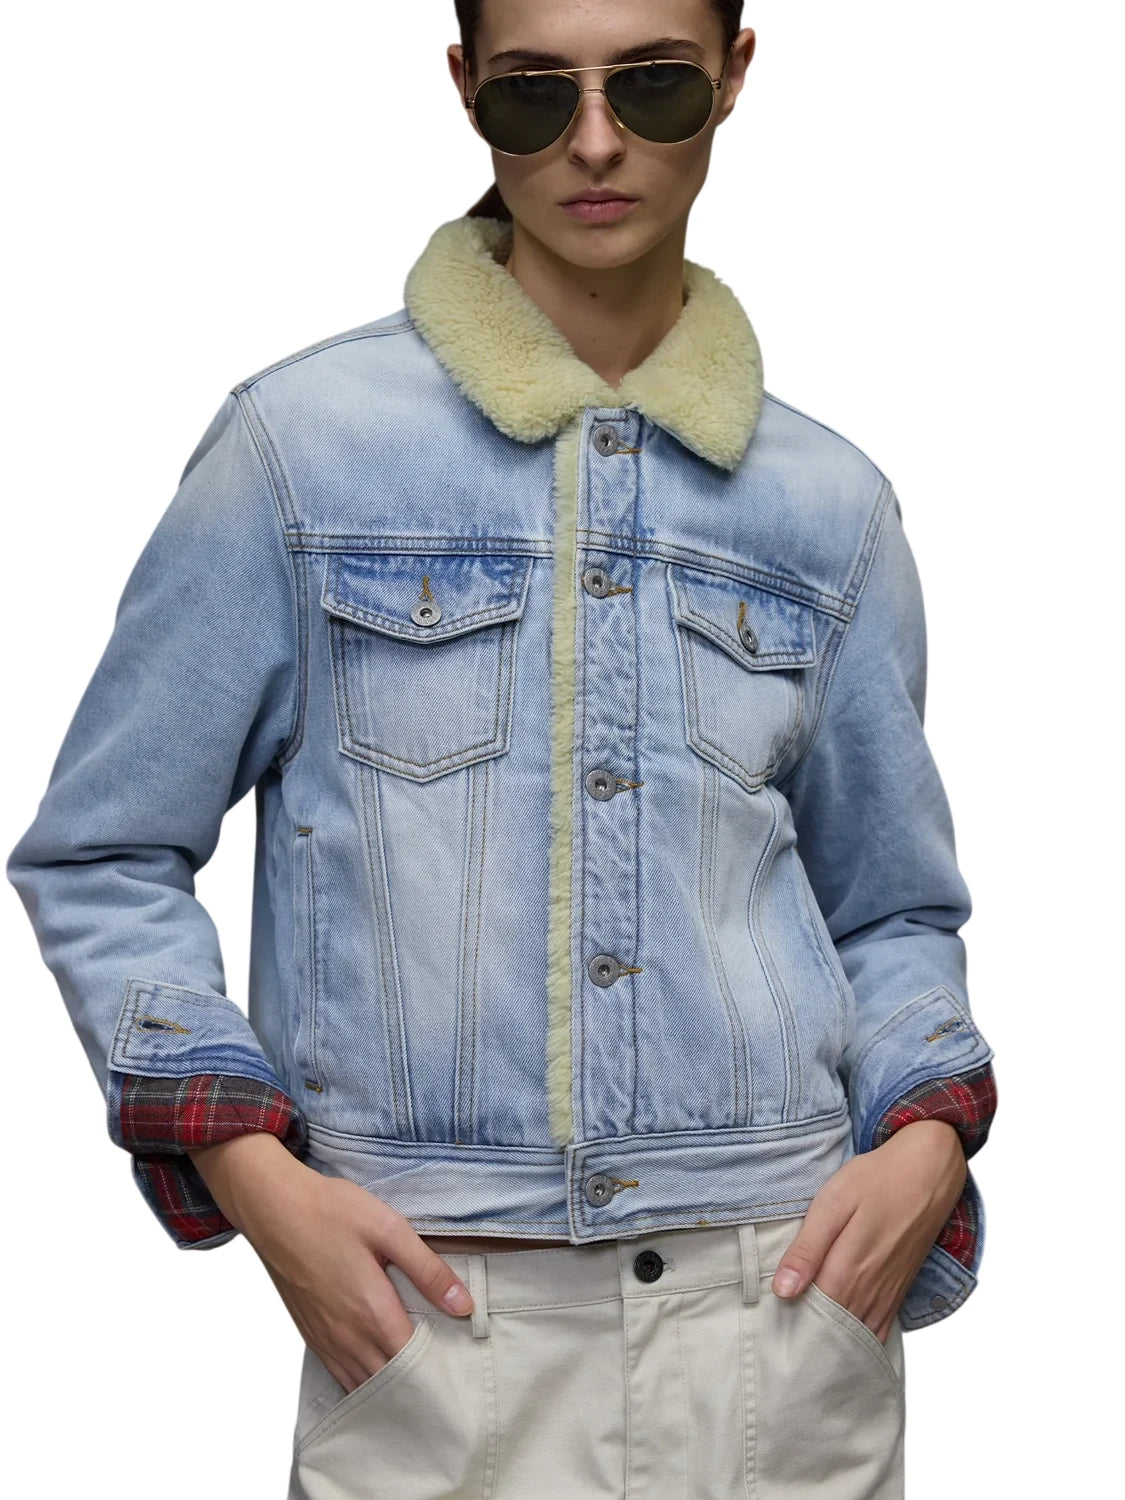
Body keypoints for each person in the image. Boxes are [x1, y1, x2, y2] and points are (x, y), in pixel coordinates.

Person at [7, 1, 998, 1496]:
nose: (594, 141)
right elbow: (104, 853)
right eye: (536, 93)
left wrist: (926, 1137)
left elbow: (890, 907)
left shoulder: (829, 505)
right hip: (437, 1319)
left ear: (732, 77)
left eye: (651, 86)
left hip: (780, 1312)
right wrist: (255, 1176)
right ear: (466, 88)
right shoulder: (299, 452)